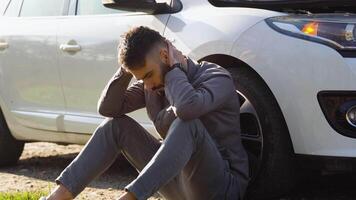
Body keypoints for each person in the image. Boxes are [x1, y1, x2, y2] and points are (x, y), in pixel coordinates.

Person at [42, 26, 250, 200]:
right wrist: (125, 70)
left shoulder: (216, 78)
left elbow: (187, 108)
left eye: (148, 75)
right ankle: (60, 196)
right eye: (141, 79)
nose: (147, 86)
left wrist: (175, 69)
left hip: (221, 187)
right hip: (176, 184)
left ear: (165, 55)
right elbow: (108, 109)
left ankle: (130, 197)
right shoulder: (151, 86)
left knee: (187, 124)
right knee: (115, 126)